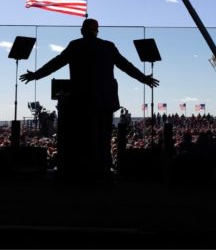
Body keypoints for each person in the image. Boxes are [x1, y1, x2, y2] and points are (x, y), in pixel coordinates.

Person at [20, 18, 159, 182]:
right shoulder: (108, 46)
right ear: (97, 31)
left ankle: (82, 173)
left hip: (80, 101)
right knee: (103, 138)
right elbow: (126, 66)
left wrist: (36, 75)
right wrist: (144, 79)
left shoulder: (75, 46)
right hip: (104, 102)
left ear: (82, 31)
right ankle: (103, 172)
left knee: (82, 137)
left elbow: (55, 63)